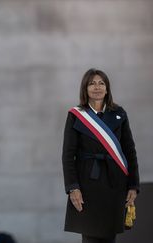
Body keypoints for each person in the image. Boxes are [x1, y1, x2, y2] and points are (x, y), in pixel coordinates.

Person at [62, 68, 139, 243]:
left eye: (101, 83)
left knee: (109, 236)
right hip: (87, 184)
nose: (97, 87)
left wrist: (133, 186)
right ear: (85, 88)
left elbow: (130, 151)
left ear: (107, 88)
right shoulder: (77, 115)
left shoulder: (119, 113)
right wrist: (73, 187)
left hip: (115, 182)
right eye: (92, 83)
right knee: (90, 236)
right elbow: (68, 155)